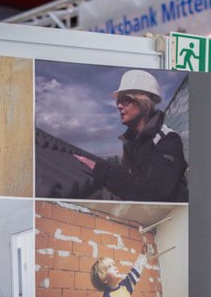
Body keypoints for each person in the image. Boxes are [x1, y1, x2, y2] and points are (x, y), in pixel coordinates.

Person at [72, 70, 188, 202]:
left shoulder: (167, 140)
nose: (119, 106)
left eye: (125, 100)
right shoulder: (131, 141)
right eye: (118, 101)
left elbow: (156, 194)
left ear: (145, 103)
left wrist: (102, 171)